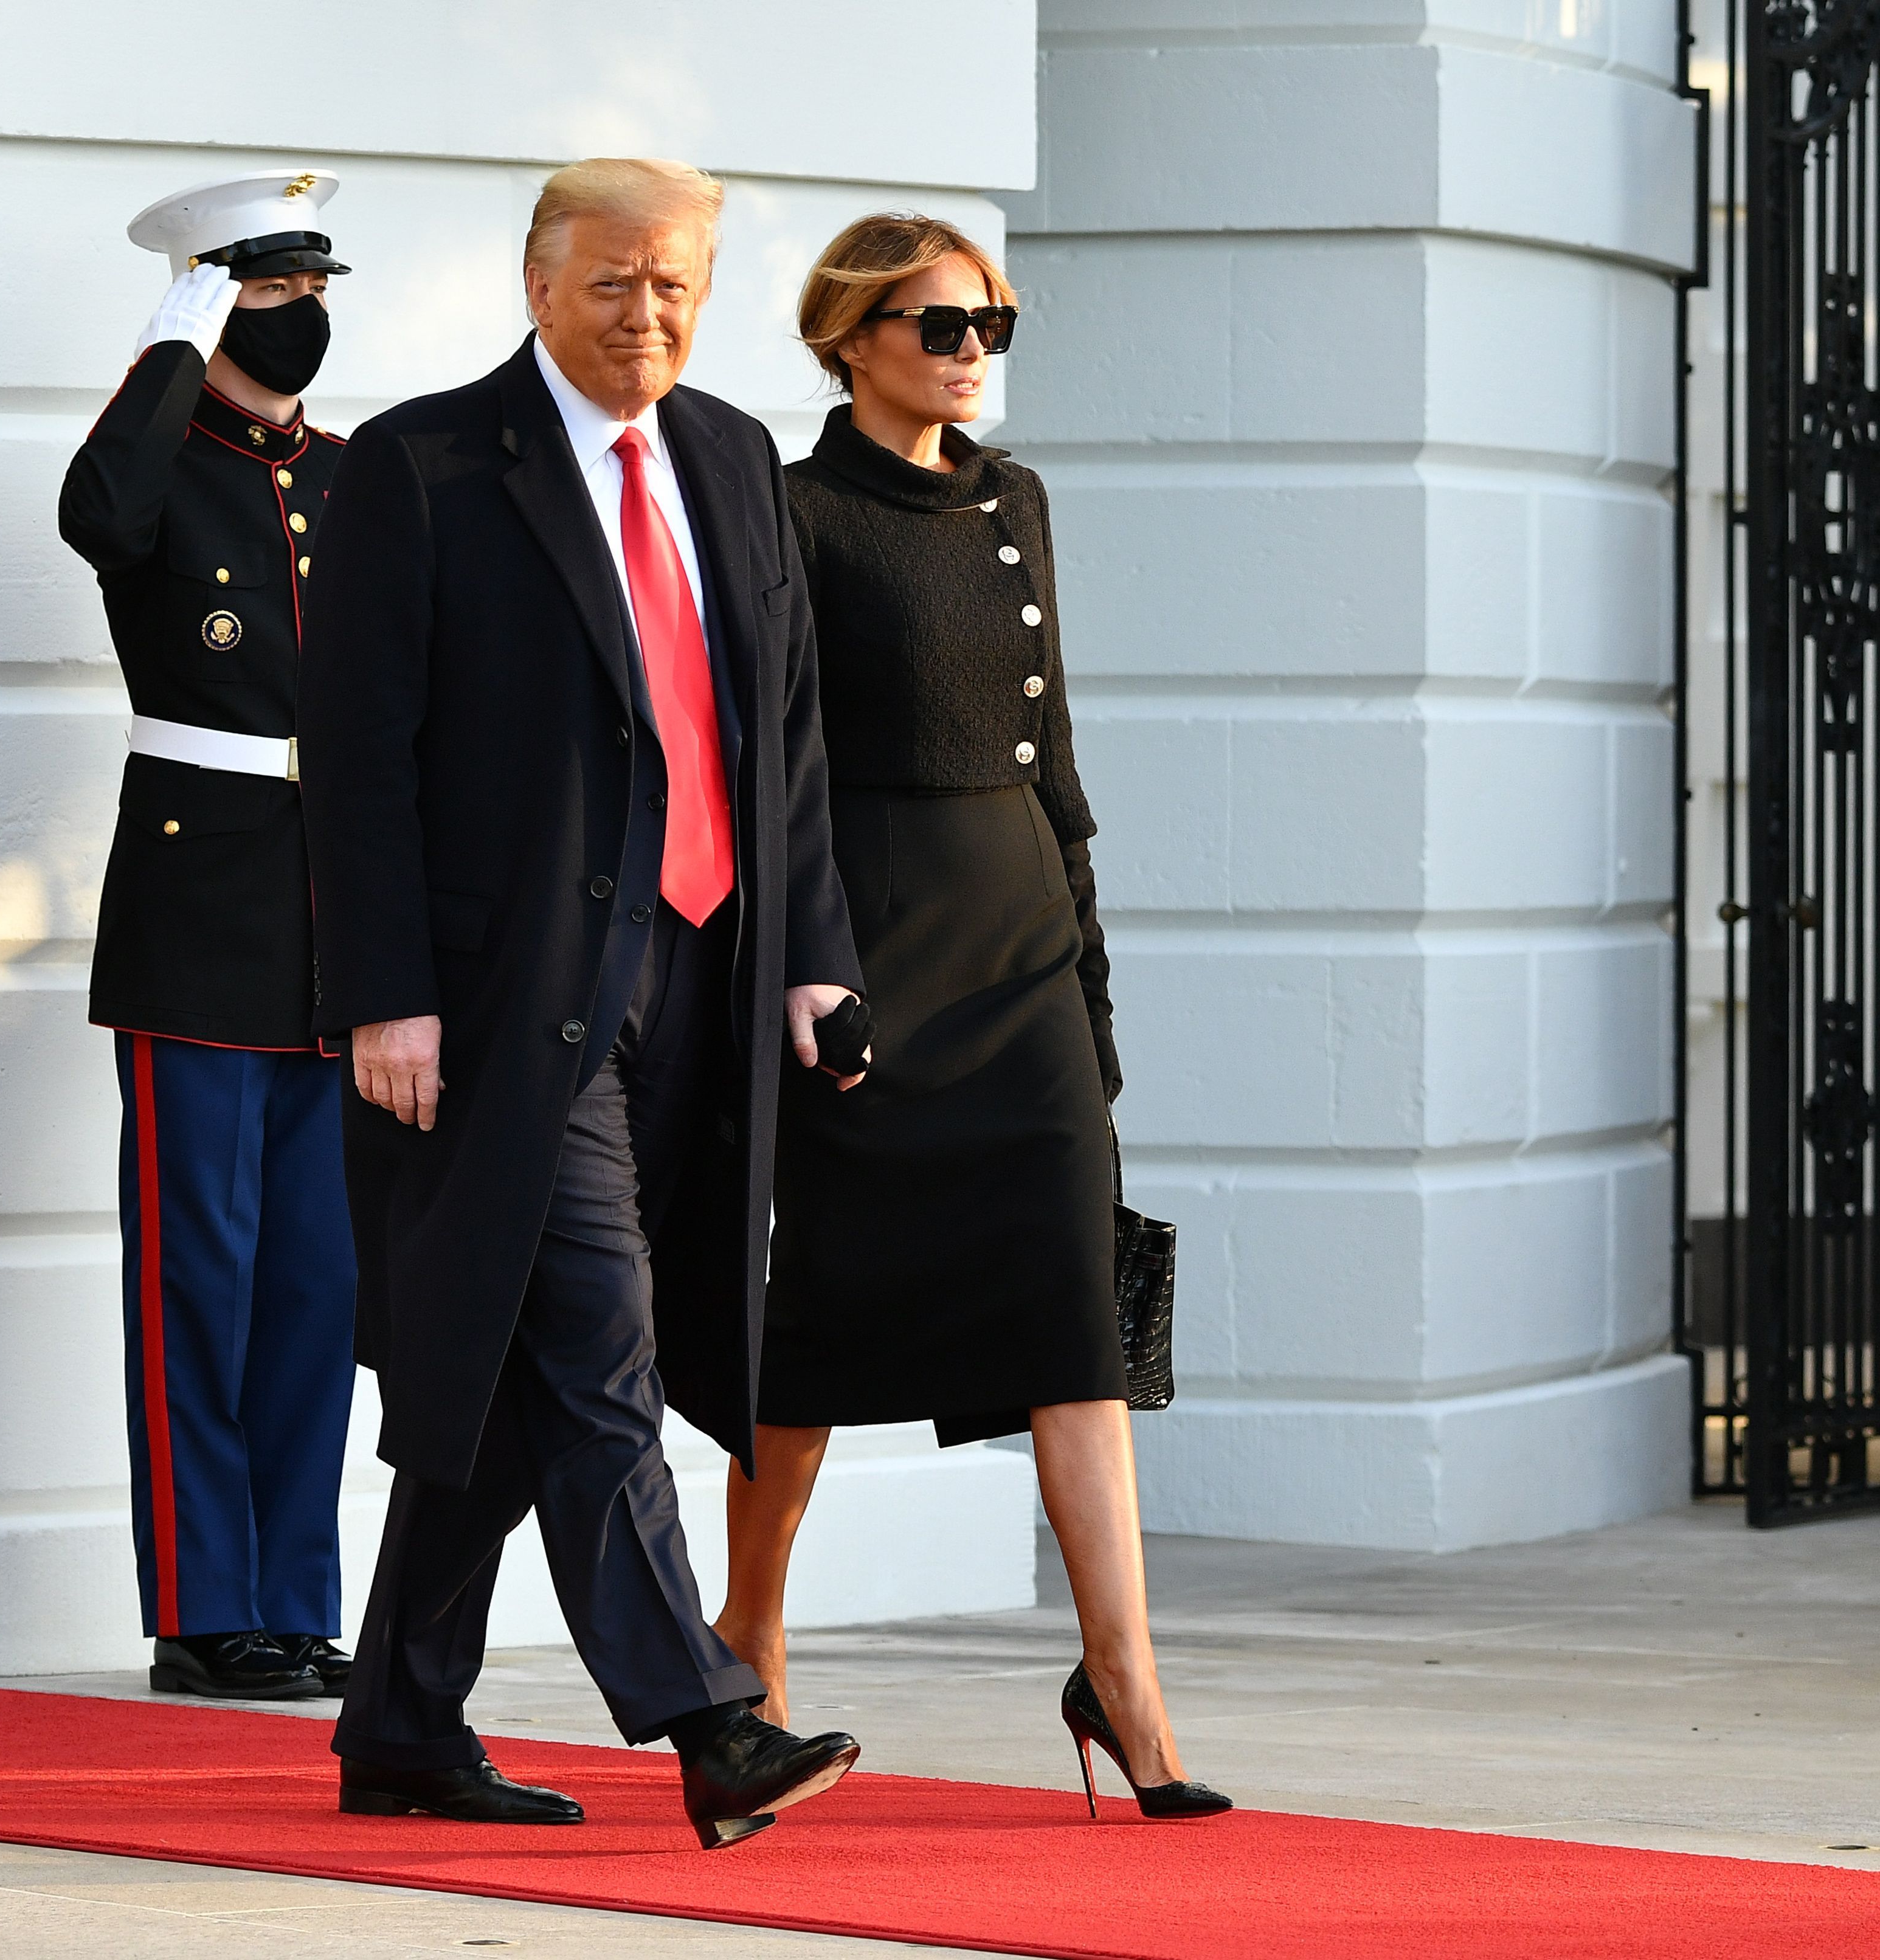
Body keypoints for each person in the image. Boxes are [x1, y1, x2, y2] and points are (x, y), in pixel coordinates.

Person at [298, 157, 873, 1846]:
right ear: (539, 280)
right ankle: (707, 1719)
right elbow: (353, 766)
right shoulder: (419, 466)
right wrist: (383, 995)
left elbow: (787, 734)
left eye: (679, 284)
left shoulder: (728, 458)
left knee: (496, 1361)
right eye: (615, 282)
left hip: (699, 975)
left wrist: (813, 951)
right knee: (600, 1346)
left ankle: (400, 1726)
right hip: (499, 1004)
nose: (649, 314)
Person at [707, 215, 1229, 1822]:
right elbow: (764, 768)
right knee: (816, 1327)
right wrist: (806, 963)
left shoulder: (1017, 501)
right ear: (850, 338)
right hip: (871, 945)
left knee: (1075, 1312)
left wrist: (1090, 969)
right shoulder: (791, 514)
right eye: (941, 326)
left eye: (989, 323)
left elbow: (1049, 750)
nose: (971, 352)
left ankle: (1125, 1687)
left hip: (1017, 949)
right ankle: (749, 1628)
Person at [57, 171, 359, 1701]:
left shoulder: (354, 476)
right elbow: (93, 516)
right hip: (198, 916)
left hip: (337, 929)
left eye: (312, 293)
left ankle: (297, 1595)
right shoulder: (160, 463)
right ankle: (199, 1607)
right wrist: (173, 343)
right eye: (263, 291)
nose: (296, 317)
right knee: (200, 1271)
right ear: (204, 296)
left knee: (319, 1280)